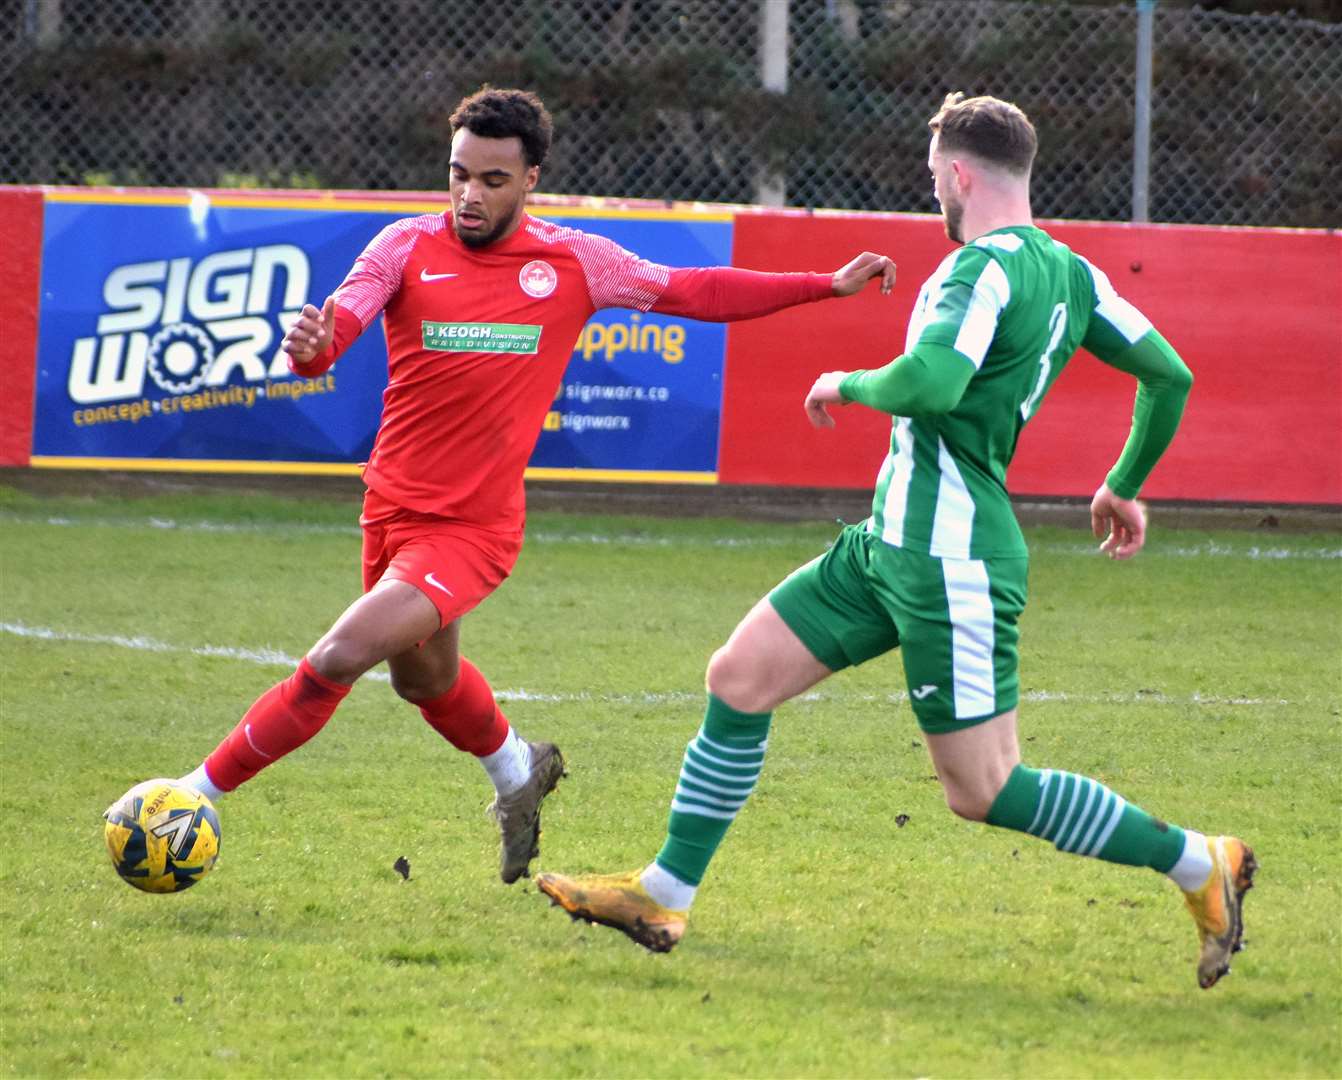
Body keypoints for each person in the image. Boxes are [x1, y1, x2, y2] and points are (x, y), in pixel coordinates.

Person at [536, 92, 1256, 989]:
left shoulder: (974, 273)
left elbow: (933, 382)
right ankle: (663, 892)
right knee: (739, 676)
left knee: (984, 789)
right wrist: (1123, 482)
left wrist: (845, 380)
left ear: (958, 174)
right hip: (890, 542)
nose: (934, 198)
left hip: (949, 557)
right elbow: (1170, 375)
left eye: (932, 181)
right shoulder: (1073, 276)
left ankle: (1201, 863)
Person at [154, 87, 898, 885]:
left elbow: (695, 290)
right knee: (424, 681)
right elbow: (338, 329)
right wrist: (311, 346)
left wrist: (825, 283)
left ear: (532, 177)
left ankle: (190, 796)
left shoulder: (576, 262)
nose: (470, 194)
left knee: (339, 655)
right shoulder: (403, 246)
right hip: (391, 510)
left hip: (471, 530)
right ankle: (518, 771)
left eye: (493, 180)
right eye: (459, 174)